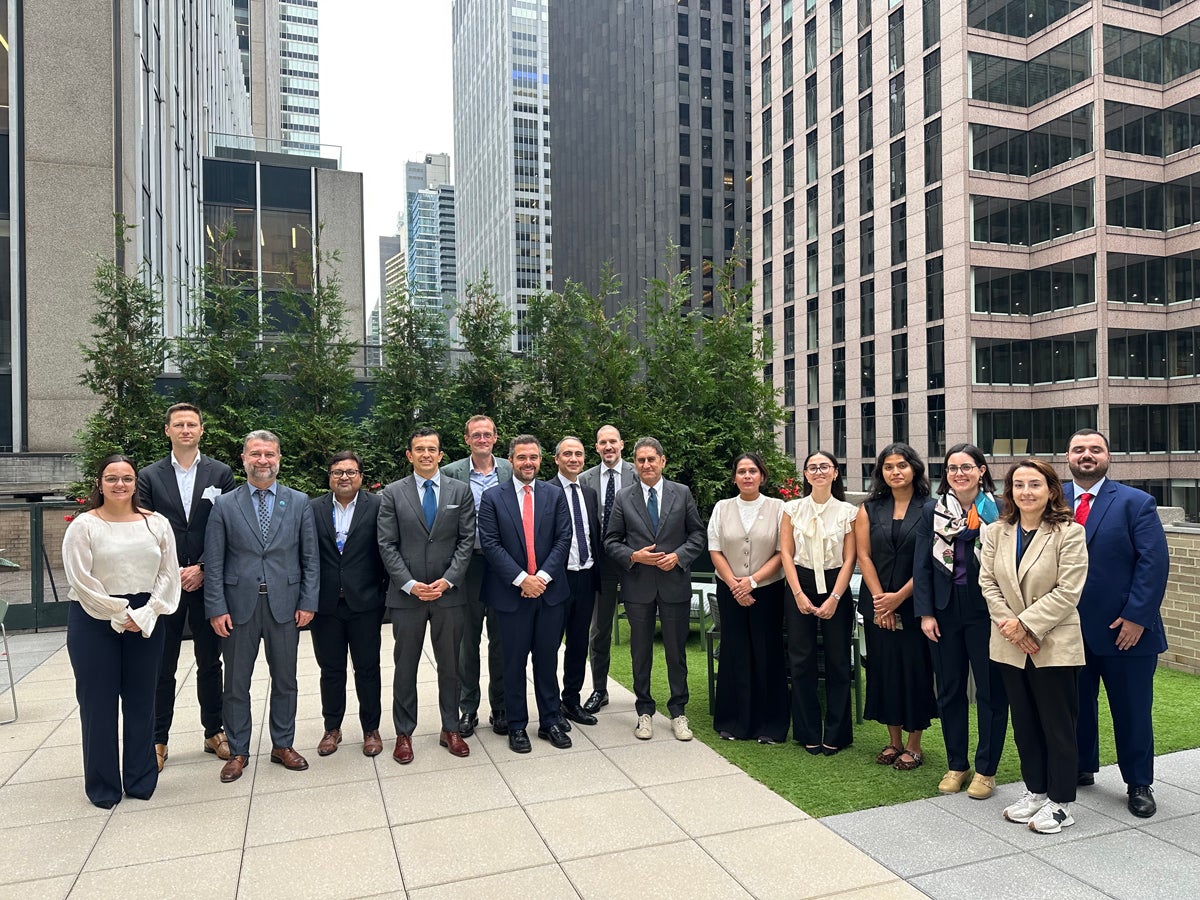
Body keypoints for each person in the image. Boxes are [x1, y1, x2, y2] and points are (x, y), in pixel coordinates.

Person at [63, 455, 181, 808]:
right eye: (112, 478)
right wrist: (118, 612)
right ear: (100, 483)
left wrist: (146, 613)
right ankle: (103, 786)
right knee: (97, 706)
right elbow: (81, 581)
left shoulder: (156, 523)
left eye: (127, 478)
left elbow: (168, 573)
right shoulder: (84, 526)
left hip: (145, 619)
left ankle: (141, 778)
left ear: (135, 483)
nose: (120, 485)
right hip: (93, 620)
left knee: (142, 701)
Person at [205, 430, 319, 784]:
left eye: (269, 454)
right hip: (239, 608)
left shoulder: (299, 502)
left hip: (286, 606)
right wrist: (216, 607)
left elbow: (310, 558)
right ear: (244, 459)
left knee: (285, 680)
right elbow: (215, 560)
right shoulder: (225, 504)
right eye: (256, 454)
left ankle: (282, 744)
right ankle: (239, 751)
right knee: (236, 683)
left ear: (279, 458)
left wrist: (308, 601)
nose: (263, 460)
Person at [980, 458, 1088, 834]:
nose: (1026, 492)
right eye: (1019, 485)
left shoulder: (1069, 533)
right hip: (1009, 644)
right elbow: (987, 582)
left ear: (1051, 490)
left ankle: (1061, 803)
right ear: (1010, 491)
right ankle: (1036, 792)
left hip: (1054, 643)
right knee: (1024, 722)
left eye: (1035, 485)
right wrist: (1012, 628)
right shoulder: (996, 532)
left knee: (1057, 725)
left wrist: (1026, 625)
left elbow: (1069, 590)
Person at [1066, 428, 1169, 818]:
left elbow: (1153, 563)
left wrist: (1137, 618)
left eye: (1095, 449)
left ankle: (1139, 782)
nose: (1087, 455)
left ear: (1108, 456)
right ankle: (1080, 766)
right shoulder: (1051, 498)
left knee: (1132, 711)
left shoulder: (1136, 502)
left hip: (1126, 632)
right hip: (1069, 630)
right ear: (1068, 457)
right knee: (1075, 706)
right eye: (1079, 450)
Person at [138, 402, 236, 772]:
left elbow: (228, 527)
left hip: (207, 583)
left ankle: (214, 732)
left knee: (211, 662)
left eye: (191, 424)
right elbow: (143, 531)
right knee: (162, 666)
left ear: (201, 429)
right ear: (167, 431)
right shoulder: (148, 476)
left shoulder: (221, 473)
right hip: (165, 586)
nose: (185, 430)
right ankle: (158, 740)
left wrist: (203, 569)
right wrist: (173, 571)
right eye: (178, 424)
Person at [913, 443, 1009, 800]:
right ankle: (957, 764)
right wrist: (925, 613)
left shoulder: (1000, 510)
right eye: (952, 468)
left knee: (991, 690)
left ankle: (986, 769)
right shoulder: (931, 512)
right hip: (944, 609)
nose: (959, 473)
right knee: (950, 689)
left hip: (988, 609)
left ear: (981, 470)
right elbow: (921, 566)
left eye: (967, 467)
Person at [376, 428, 476, 764]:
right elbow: (386, 544)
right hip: (407, 597)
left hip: (448, 595)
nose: (426, 455)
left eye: (432, 449)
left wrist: (448, 581)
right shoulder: (392, 493)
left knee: (450, 665)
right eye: (419, 449)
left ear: (441, 454)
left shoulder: (460, 491)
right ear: (409, 455)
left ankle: (451, 728)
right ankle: (404, 732)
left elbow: (466, 542)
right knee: (405, 666)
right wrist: (408, 583)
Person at [604, 436, 706, 741]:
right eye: (641, 460)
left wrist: (678, 557)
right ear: (634, 464)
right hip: (638, 587)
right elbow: (610, 541)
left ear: (662, 461)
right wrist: (633, 556)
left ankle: (678, 712)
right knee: (640, 653)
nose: (646, 465)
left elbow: (697, 535)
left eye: (652, 459)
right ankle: (644, 712)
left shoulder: (682, 493)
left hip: (674, 585)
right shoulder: (624, 497)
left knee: (676, 653)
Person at [478, 436, 573, 753]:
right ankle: (517, 726)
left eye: (533, 457)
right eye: (521, 457)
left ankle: (549, 722)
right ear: (511, 461)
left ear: (541, 460)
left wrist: (542, 577)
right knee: (513, 663)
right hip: (510, 595)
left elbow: (563, 538)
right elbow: (490, 545)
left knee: (547, 661)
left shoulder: (554, 495)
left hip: (549, 593)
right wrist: (522, 580)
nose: (528, 463)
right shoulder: (493, 497)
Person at [854, 443, 937, 771]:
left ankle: (914, 745)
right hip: (877, 606)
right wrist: (881, 602)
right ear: (881, 473)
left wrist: (898, 598)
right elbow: (864, 556)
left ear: (914, 468)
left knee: (915, 673)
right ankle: (893, 741)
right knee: (884, 671)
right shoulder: (868, 509)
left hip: (916, 605)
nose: (895, 472)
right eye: (888, 467)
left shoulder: (931, 508)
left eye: (902, 465)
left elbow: (933, 560)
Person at [309, 452, 389, 758]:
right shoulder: (312, 508)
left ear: (361, 477)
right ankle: (332, 728)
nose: (344, 477)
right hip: (326, 604)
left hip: (365, 603)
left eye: (351, 472)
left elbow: (385, 549)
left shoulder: (378, 506)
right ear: (329, 476)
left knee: (367, 668)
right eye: (338, 472)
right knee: (331, 670)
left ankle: (371, 729)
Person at [780, 450, 858, 755]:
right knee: (801, 660)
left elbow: (850, 557)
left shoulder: (848, 512)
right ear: (805, 474)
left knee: (839, 661)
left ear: (836, 472)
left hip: (836, 584)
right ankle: (807, 730)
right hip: (800, 584)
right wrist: (798, 593)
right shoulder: (791, 509)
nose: (818, 471)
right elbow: (786, 553)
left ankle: (836, 733)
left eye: (825, 466)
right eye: (812, 467)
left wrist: (835, 598)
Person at [707, 452, 788, 743]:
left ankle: (771, 725)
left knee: (767, 652)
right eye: (741, 471)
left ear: (762, 476)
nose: (747, 476)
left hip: (768, 591)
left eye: (753, 471)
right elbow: (715, 549)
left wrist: (752, 582)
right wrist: (735, 585)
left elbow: (782, 552)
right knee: (735, 651)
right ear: (734, 477)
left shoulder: (779, 508)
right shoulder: (722, 507)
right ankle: (733, 720)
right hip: (730, 591)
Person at [442, 414, 512, 737]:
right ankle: (468, 709)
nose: (482, 439)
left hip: (502, 566)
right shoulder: (450, 473)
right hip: (466, 566)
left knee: (501, 639)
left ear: (495, 438)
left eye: (487, 434)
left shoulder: (510, 471)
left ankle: (500, 707)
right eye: (476, 435)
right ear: (467, 439)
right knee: (467, 642)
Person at [579, 424, 636, 714]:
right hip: (600, 563)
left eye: (613, 441)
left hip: (634, 561)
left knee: (639, 627)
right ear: (597, 447)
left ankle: (644, 693)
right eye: (602, 442)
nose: (608, 446)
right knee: (598, 629)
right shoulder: (585, 478)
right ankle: (599, 690)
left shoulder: (638, 474)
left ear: (622, 444)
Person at [553, 436, 603, 726]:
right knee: (549, 646)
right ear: (557, 459)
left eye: (579, 454)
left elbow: (592, 534)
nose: (574, 459)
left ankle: (571, 701)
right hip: (557, 579)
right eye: (567, 454)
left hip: (586, 577)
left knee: (578, 644)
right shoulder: (546, 490)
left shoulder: (589, 493)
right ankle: (550, 706)